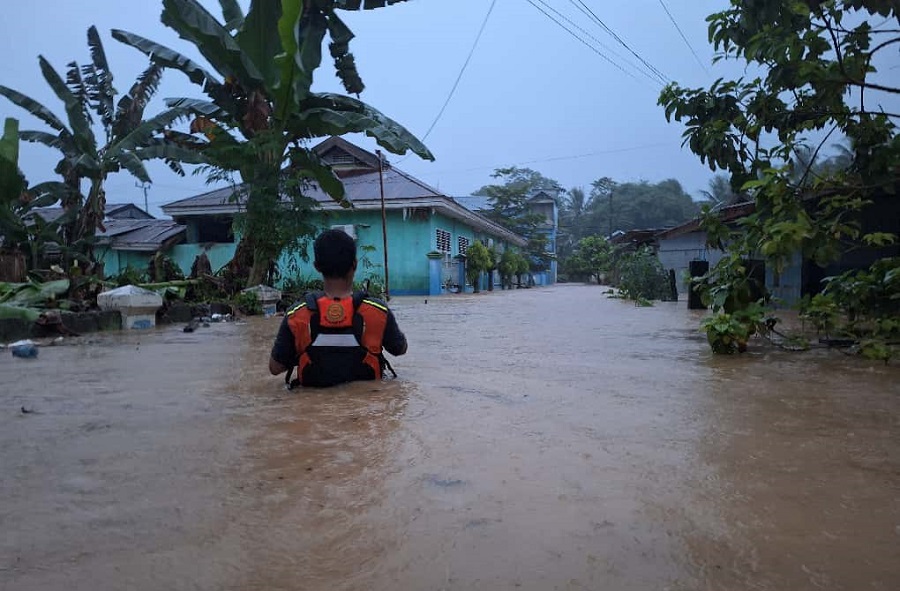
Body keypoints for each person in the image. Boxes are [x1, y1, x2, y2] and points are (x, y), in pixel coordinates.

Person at [269, 229, 408, 388]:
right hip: (368, 407)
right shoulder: (378, 311)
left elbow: (275, 368)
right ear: (354, 264)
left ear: (317, 266)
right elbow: (400, 349)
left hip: (314, 408)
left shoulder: (296, 314)